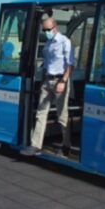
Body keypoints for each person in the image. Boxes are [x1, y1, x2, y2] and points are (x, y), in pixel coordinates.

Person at [21, 17, 74, 157]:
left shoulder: (64, 42)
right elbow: (46, 64)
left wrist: (63, 81)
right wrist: (42, 82)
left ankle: (66, 145)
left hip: (59, 80)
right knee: (41, 113)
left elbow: (70, 64)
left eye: (48, 30)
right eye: (44, 30)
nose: (46, 32)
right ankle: (35, 145)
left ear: (55, 27)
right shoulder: (48, 44)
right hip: (47, 81)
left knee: (62, 115)